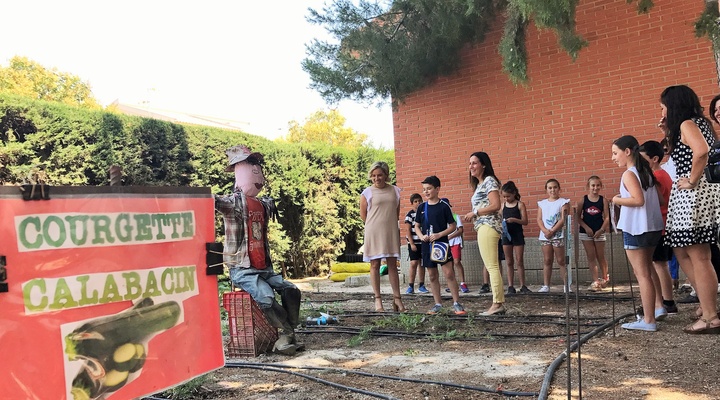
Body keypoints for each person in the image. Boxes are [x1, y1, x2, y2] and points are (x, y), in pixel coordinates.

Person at [215, 145, 303, 356]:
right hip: (242, 268)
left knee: (292, 290)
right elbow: (212, 201)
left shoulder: (263, 204)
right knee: (265, 297)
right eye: (250, 167)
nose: (256, 173)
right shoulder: (233, 204)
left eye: (257, 167)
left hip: (264, 267)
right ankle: (285, 332)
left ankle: (288, 331)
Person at [660, 85, 720, 334]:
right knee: (682, 250)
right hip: (694, 194)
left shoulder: (687, 123)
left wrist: (692, 180)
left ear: (673, 104)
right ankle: (708, 305)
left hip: (693, 194)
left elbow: (701, 151)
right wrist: (667, 131)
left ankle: (710, 317)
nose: (661, 109)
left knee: (699, 255)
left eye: (663, 104)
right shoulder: (699, 122)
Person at [611, 135, 664, 331]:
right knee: (648, 270)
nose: (613, 157)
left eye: (615, 153)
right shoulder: (647, 172)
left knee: (642, 274)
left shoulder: (629, 174)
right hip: (652, 227)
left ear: (627, 152)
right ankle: (658, 307)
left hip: (636, 228)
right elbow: (659, 199)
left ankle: (649, 320)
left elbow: (638, 200)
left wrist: (617, 200)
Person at [414, 176, 467, 315]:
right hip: (427, 246)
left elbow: (453, 226)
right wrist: (421, 237)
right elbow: (417, 226)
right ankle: (438, 304)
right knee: (432, 275)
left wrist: (439, 235)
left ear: (437, 189)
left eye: (429, 189)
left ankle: (456, 302)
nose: (426, 192)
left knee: (449, 273)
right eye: (424, 189)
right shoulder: (421, 207)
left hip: (442, 244)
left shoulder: (444, 206)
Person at [360, 161, 406, 313]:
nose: (376, 178)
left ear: (386, 175)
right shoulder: (367, 192)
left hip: (390, 230)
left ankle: (397, 299)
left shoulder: (395, 191)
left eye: (379, 175)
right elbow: (363, 215)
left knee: (393, 265)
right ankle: (378, 300)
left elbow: (396, 211)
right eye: (373, 176)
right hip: (373, 231)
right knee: (375, 265)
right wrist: (374, 226)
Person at [639, 140, 679, 316]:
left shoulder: (659, 177)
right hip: (661, 224)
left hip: (660, 225)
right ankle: (665, 300)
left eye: (644, 159)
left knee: (660, 264)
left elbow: (660, 201)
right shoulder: (662, 175)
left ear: (654, 159)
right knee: (659, 264)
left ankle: (667, 301)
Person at [462, 152, 505, 315]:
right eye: (470, 163)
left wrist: (476, 212)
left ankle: (497, 303)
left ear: (483, 165)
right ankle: (498, 302)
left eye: (474, 163)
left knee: (492, 266)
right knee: (491, 265)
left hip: (488, 225)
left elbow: (495, 205)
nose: (471, 166)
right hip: (482, 226)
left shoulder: (489, 181)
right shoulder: (480, 184)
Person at [576, 176, 611, 292]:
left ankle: (605, 277)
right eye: (593, 185)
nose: (595, 188)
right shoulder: (583, 200)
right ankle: (595, 280)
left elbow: (606, 218)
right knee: (591, 256)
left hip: (599, 231)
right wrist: (586, 228)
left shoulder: (603, 200)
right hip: (586, 232)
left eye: (597, 185)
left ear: (601, 186)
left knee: (600, 255)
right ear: (588, 186)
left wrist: (601, 230)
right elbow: (578, 217)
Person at [536, 179, 571, 293]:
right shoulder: (542, 203)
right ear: (546, 189)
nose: (552, 190)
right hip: (545, 236)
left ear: (559, 188)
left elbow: (563, 218)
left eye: (555, 187)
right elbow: (539, 219)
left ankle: (566, 285)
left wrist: (553, 230)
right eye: (550, 188)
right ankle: (546, 285)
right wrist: (545, 231)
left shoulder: (563, 202)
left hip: (558, 235)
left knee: (561, 260)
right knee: (547, 260)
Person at [500, 181, 531, 294]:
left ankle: (523, 285)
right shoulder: (503, 205)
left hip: (517, 234)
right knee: (509, 261)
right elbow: (499, 218)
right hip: (506, 235)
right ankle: (510, 286)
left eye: (508, 196)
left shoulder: (520, 204)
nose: (506, 198)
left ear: (514, 194)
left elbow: (525, 221)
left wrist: (514, 220)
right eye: (504, 196)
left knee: (519, 260)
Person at [442, 198, 469, 293]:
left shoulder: (455, 216)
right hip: (445, 244)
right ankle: (452, 283)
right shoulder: (440, 218)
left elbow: (460, 230)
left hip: (455, 242)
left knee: (457, 261)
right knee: (449, 264)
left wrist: (450, 237)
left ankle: (462, 283)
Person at [404, 193, 428, 294]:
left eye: (420, 201)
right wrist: (412, 243)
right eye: (415, 201)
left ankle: (421, 285)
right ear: (412, 203)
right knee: (414, 263)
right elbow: (408, 230)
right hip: (413, 242)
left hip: (423, 242)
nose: (418, 203)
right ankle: (410, 285)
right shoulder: (410, 215)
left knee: (422, 264)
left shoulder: (424, 214)